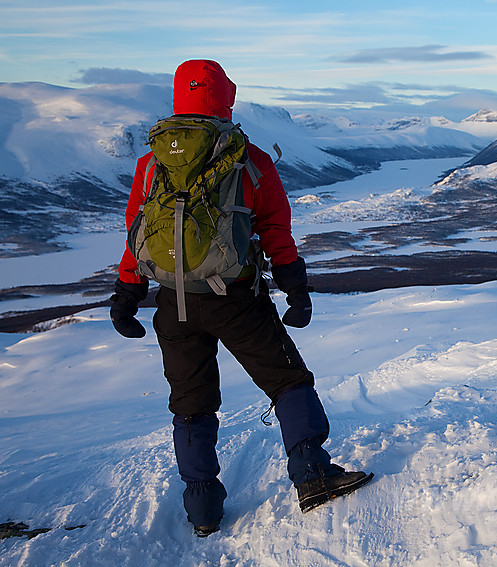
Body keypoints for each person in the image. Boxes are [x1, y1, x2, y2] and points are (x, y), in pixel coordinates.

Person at [108, 59, 372, 537]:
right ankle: (312, 475)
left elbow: (137, 231)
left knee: (191, 403)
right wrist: (296, 290)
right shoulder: (249, 157)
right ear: (225, 97)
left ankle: (203, 511)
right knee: (287, 379)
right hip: (236, 298)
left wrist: (128, 293)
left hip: (173, 301)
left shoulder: (152, 162)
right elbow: (275, 231)